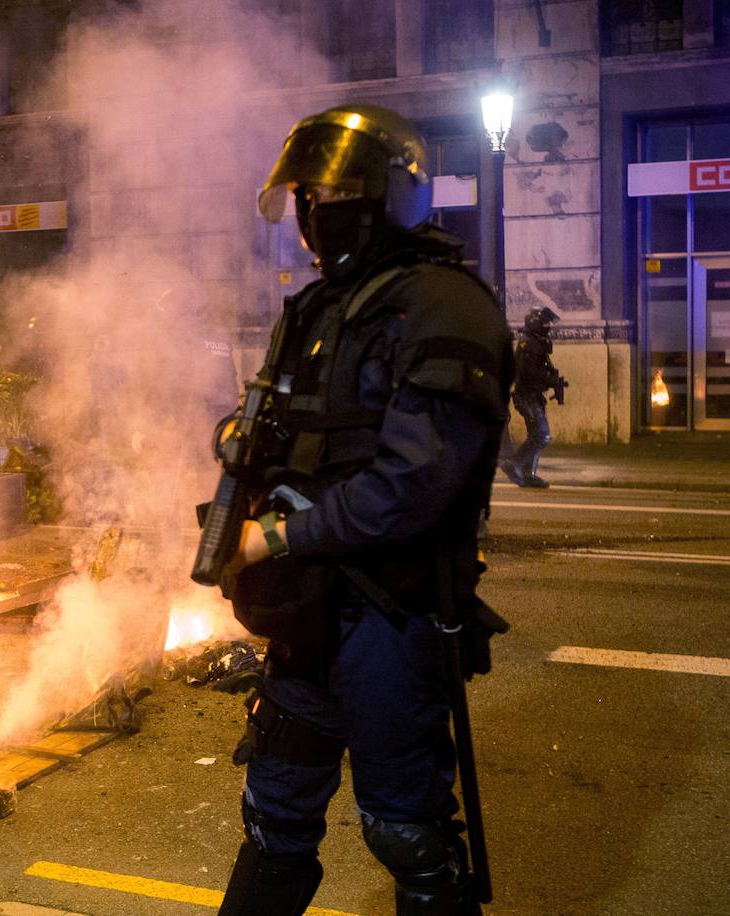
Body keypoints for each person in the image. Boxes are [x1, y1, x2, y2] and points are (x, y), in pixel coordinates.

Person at [209, 105, 513, 915]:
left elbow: (413, 485)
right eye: (307, 192)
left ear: (392, 194)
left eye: (338, 189)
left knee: (406, 834)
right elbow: (294, 432)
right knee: (273, 816)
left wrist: (273, 535)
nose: (317, 208)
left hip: (394, 616)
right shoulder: (314, 311)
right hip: (306, 614)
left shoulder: (444, 305)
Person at [500, 307, 563, 489]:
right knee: (542, 435)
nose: (548, 326)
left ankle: (528, 475)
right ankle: (514, 464)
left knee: (536, 435)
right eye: (545, 323)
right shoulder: (529, 344)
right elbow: (530, 372)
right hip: (527, 396)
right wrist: (550, 379)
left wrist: (553, 380)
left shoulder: (534, 343)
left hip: (533, 395)